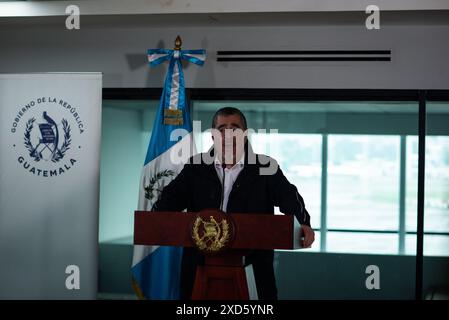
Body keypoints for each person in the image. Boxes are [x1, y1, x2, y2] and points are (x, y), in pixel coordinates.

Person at [153, 107, 315, 300]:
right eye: (221, 128)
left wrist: (303, 222)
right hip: (200, 268)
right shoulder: (195, 168)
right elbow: (169, 202)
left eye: (235, 128)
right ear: (213, 136)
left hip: (252, 268)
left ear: (245, 135)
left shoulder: (265, 167)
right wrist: (155, 217)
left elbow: (290, 198)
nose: (228, 134)